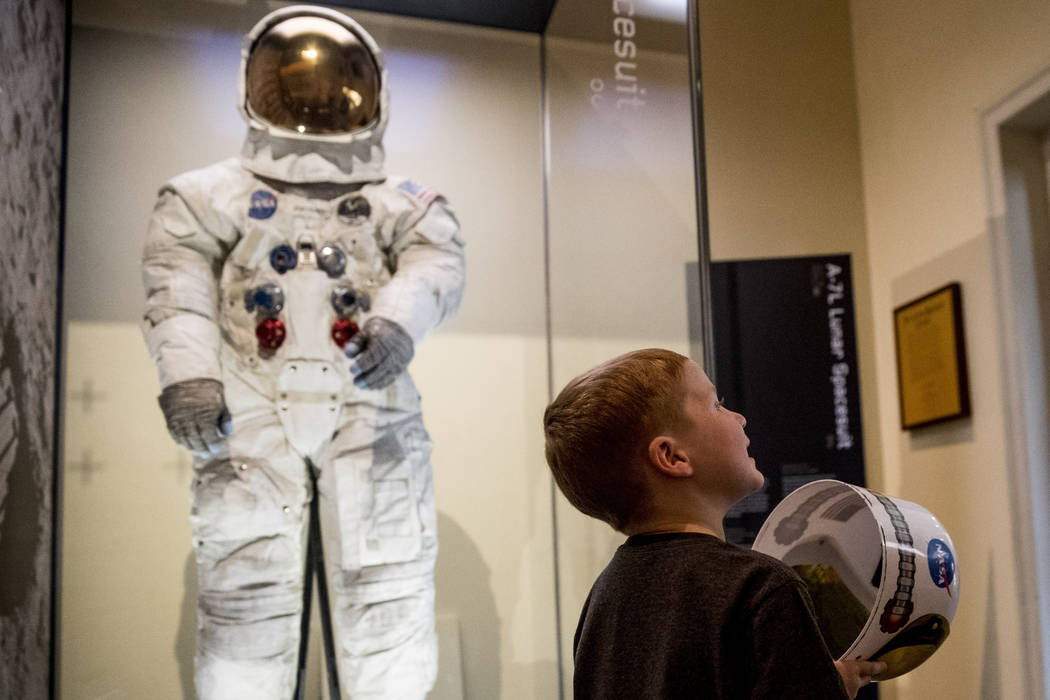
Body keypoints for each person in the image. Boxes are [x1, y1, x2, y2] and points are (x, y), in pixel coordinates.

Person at [140, 6, 464, 699]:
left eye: (335, 86)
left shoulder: (401, 201)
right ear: (254, 88)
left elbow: (435, 264)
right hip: (247, 411)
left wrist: (398, 325)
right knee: (244, 600)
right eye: (297, 84)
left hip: (370, 408)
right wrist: (190, 378)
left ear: (368, 92)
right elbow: (177, 289)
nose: (318, 101)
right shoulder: (206, 198)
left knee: (389, 591)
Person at [543, 348, 885, 699]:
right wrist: (828, 688)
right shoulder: (761, 587)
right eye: (716, 404)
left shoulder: (604, 597)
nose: (739, 418)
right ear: (672, 456)